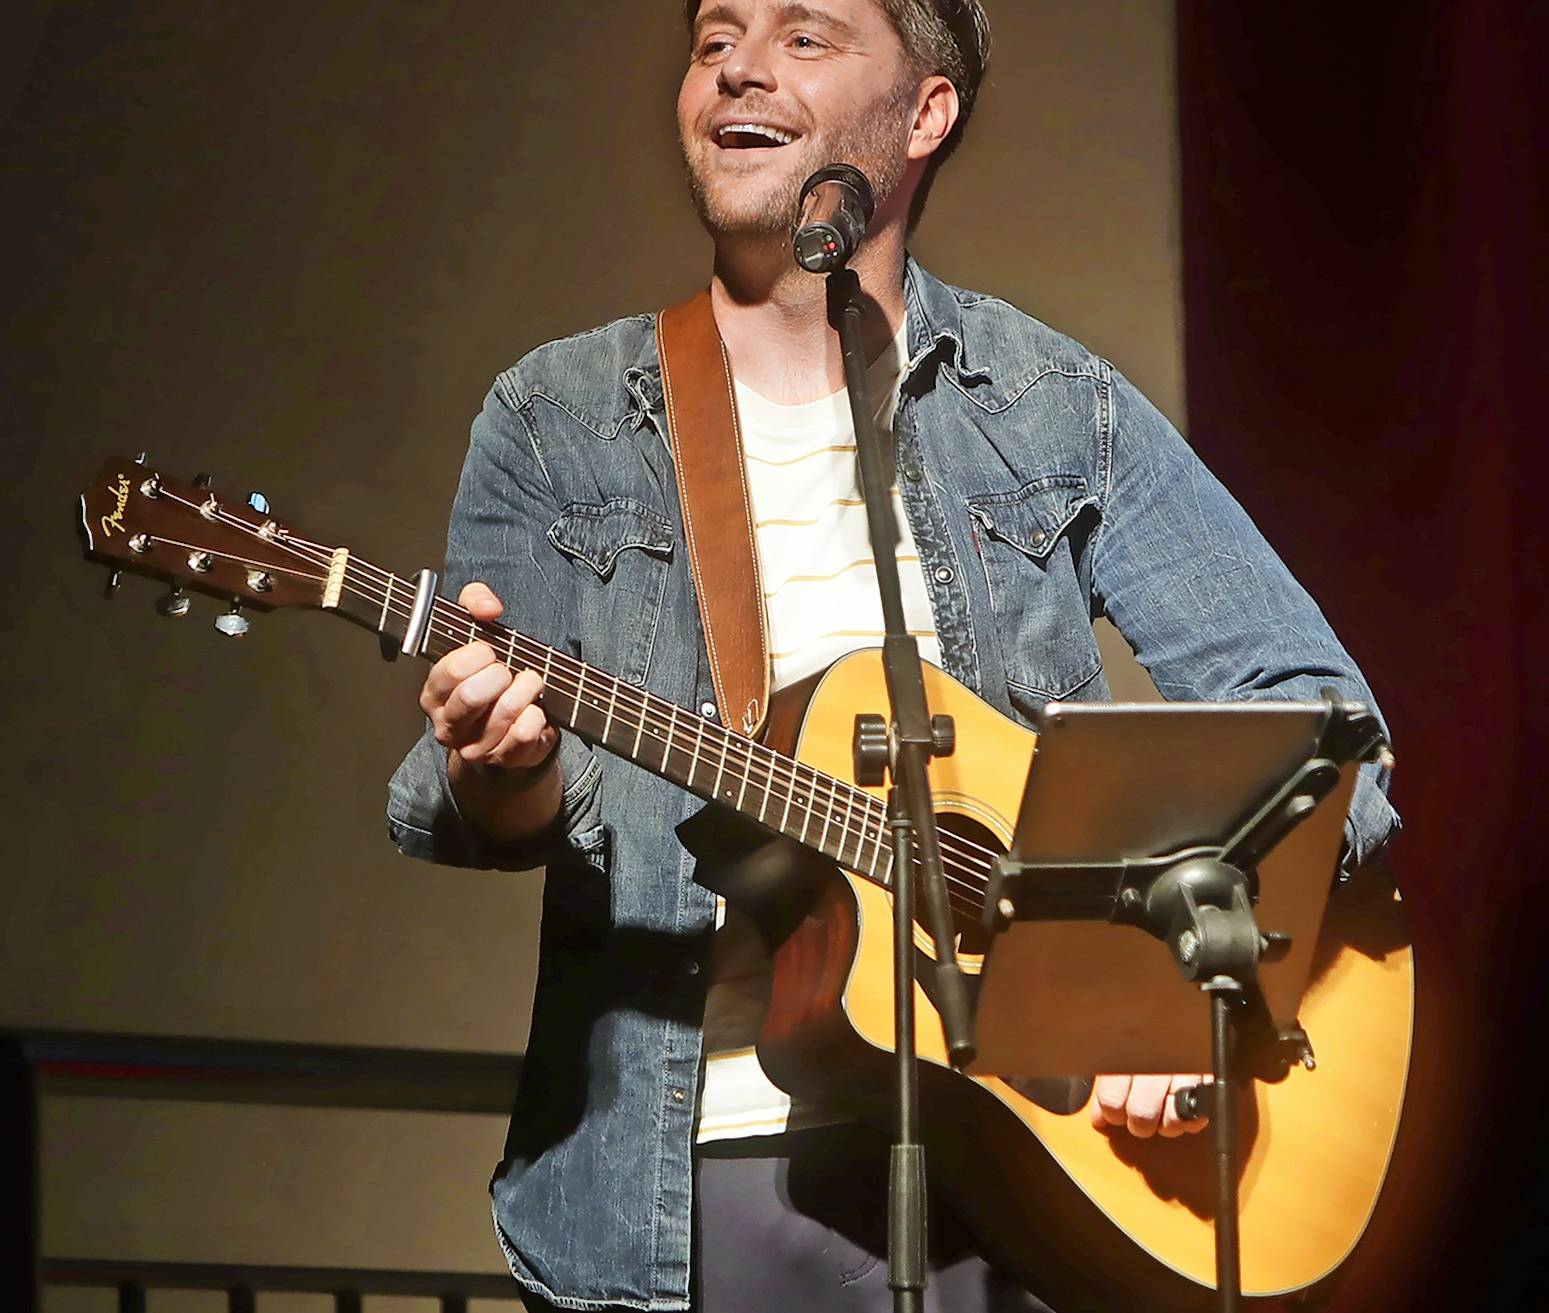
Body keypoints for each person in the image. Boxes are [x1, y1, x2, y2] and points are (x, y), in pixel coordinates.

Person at [387, 2, 1399, 1309]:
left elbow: (1323, 731)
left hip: (1041, 1164)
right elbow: (480, 800)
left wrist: (1168, 984)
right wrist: (500, 767)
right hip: (703, 1178)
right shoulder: (557, 421)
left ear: (925, 112)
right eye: (713, 38)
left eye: (803, 36)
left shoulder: (1050, 407)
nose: (739, 65)